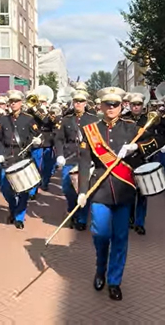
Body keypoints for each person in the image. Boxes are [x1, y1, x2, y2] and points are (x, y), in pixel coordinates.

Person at [76, 86, 161, 301]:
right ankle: (100, 268)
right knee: (101, 234)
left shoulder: (132, 128)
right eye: (108, 104)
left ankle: (114, 280)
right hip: (100, 190)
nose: (112, 108)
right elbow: (85, 162)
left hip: (124, 189)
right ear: (101, 106)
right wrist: (82, 191)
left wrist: (137, 149)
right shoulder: (90, 130)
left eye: (115, 104)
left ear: (121, 106)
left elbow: (155, 143)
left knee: (121, 237)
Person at [0, 90, 41, 229]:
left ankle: (19, 216)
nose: (13, 104)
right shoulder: (3, 119)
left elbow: (39, 135)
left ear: (21, 103)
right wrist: (0, 153)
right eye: (11, 102)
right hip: (7, 157)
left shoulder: (28, 119)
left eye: (16, 101)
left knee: (23, 189)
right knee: (5, 188)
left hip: (23, 157)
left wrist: (37, 141)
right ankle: (13, 207)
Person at [122, 93, 165, 235]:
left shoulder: (150, 119)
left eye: (139, 104)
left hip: (143, 159)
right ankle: (129, 217)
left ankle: (140, 222)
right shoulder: (123, 120)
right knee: (128, 192)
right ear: (129, 105)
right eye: (133, 104)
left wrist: (139, 146)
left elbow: (159, 138)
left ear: (143, 106)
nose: (136, 107)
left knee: (143, 193)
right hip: (127, 161)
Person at [54, 90, 98, 231]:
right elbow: (59, 139)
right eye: (76, 101)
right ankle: (72, 209)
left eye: (81, 101)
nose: (78, 103)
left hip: (87, 158)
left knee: (85, 189)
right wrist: (59, 154)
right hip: (70, 157)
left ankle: (82, 219)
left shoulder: (93, 119)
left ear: (85, 103)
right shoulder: (66, 119)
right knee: (68, 188)